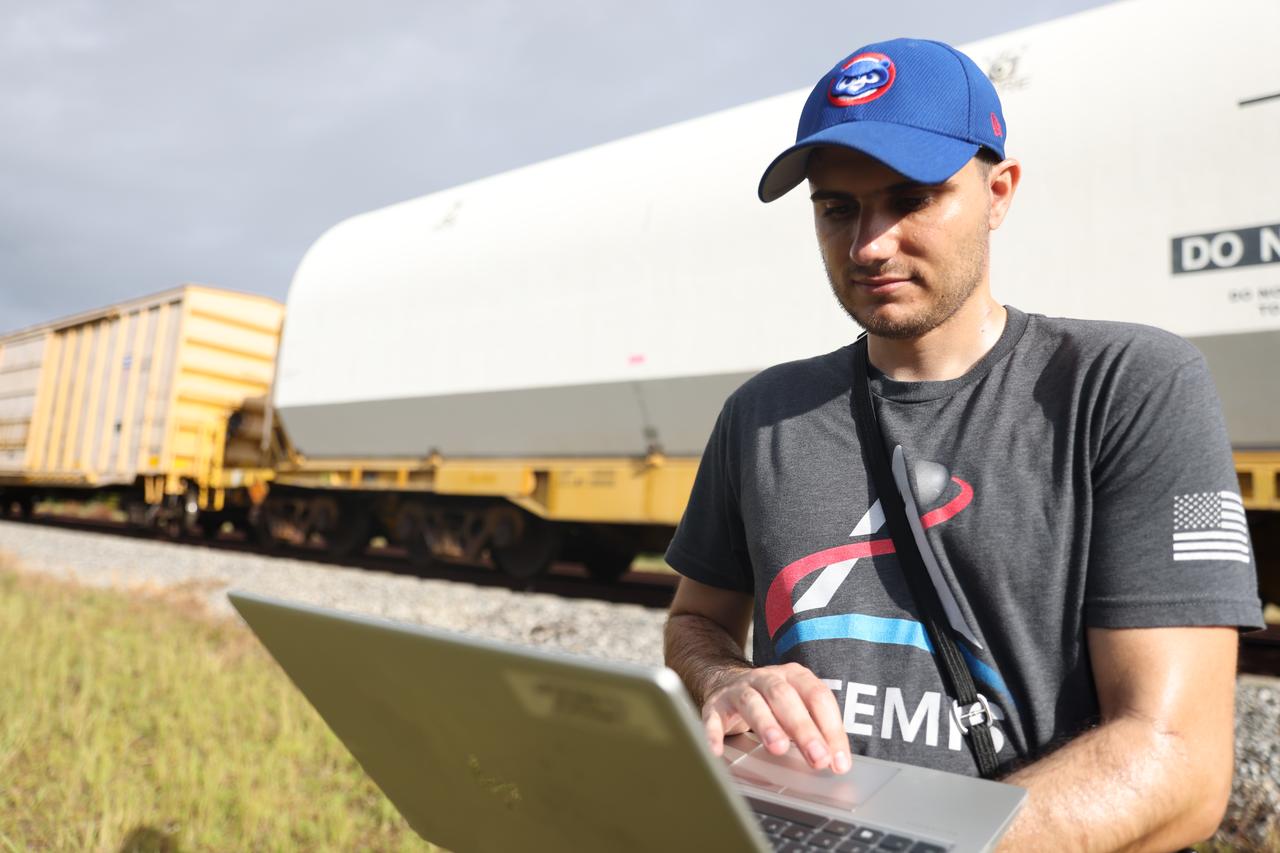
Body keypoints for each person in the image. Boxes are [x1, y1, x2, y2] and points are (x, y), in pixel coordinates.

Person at [663, 38, 1263, 850]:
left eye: (911, 199)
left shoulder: (1127, 388)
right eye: (837, 208)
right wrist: (726, 677)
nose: (869, 245)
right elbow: (695, 621)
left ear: (998, 192)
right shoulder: (761, 414)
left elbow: (1176, 764)